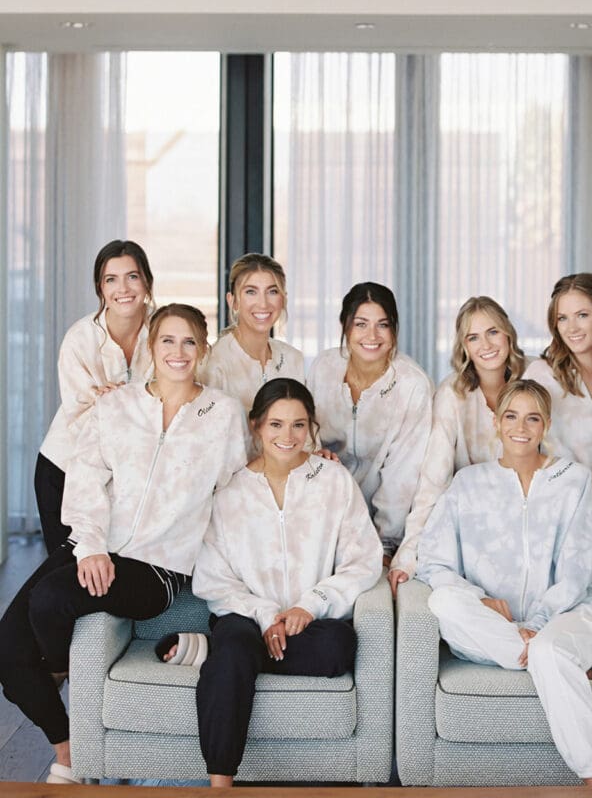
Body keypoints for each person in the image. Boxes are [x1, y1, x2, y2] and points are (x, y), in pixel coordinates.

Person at [0, 303, 248, 785]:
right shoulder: (117, 405)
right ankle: (70, 750)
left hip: (160, 568)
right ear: (151, 347)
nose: (178, 352)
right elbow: (87, 479)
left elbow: (235, 491)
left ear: (203, 350)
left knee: (52, 599)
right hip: (97, 545)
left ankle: (55, 675)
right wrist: (89, 545)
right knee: (7, 649)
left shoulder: (222, 413)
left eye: (189, 342)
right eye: (167, 341)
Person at [160, 378, 382, 788]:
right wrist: (265, 615)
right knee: (236, 647)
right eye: (276, 424)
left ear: (311, 427)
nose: (288, 436)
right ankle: (220, 786)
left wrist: (309, 605)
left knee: (339, 646)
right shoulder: (228, 490)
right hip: (244, 615)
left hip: (309, 623)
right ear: (256, 426)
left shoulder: (333, 482)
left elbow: (364, 561)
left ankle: (217, 652)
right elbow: (214, 576)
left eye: (299, 425)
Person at [419, 378, 592, 787]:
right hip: (490, 630)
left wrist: (537, 624)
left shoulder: (572, 480)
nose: (521, 427)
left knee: (547, 648)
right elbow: (431, 562)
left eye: (532, 418)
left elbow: (577, 572)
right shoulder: (467, 483)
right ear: (496, 422)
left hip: (569, 615)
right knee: (444, 604)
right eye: (511, 416)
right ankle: (584, 666)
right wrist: (479, 599)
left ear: (546, 425)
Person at [388, 296, 524, 593]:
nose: (486, 345)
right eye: (473, 337)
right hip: (477, 528)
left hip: (528, 521)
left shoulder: (534, 381)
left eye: (493, 332)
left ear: (508, 334)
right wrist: (408, 555)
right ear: (464, 346)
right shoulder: (452, 395)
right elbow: (433, 481)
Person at [35, 239, 155, 554]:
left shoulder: (163, 333)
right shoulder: (80, 338)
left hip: (128, 480)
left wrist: (118, 404)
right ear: (100, 288)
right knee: (64, 570)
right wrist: (124, 407)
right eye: (110, 279)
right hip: (64, 468)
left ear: (147, 281)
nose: (123, 288)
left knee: (108, 577)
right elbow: (81, 416)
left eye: (133, 276)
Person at [307, 282, 432, 562]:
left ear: (394, 329)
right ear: (344, 326)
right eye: (361, 324)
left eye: (383, 325)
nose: (372, 335)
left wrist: (384, 543)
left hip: (382, 529)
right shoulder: (323, 367)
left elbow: (404, 474)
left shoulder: (412, 385)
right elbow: (306, 435)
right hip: (322, 516)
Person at [527, 272, 592, 470]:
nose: (572, 328)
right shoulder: (541, 376)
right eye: (562, 318)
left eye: (582, 315)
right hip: (562, 497)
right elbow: (516, 448)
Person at [203, 253, 304, 413]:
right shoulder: (214, 364)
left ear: (283, 299)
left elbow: (308, 430)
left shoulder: (294, 359)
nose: (263, 304)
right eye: (251, 292)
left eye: (272, 291)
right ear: (233, 301)